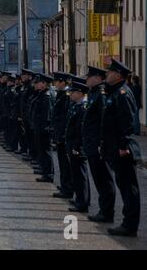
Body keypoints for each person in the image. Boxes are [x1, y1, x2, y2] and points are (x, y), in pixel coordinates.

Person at [102, 59, 140, 237]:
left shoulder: (123, 93)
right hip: (115, 147)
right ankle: (128, 222)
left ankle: (130, 224)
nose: (106, 75)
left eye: (109, 72)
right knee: (124, 185)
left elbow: (127, 123)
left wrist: (124, 146)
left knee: (128, 187)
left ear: (118, 75)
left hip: (122, 149)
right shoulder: (116, 92)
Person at [83, 66, 116, 223]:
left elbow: (104, 121)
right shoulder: (93, 93)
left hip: (97, 144)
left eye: (89, 77)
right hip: (91, 143)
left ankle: (107, 211)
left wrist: (101, 143)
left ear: (97, 78)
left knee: (104, 178)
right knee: (98, 177)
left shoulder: (101, 95)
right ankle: (104, 210)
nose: (86, 79)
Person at [65, 80, 90, 213]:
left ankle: (83, 202)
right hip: (72, 143)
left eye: (73, 92)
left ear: (80, 93)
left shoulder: (83, 107)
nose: (70, 94)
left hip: (77, 145)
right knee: (76, 173)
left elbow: (80, 130)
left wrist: (77, 146)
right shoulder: (76, 106)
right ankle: (79, 198)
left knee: (80, 174)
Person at [51, 72, 74, 199]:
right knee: (62, 162)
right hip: (59, 133)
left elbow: (64, 117)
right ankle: (65, 185)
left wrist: (62, 134)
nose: (55, 84)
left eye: (57, 82)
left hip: (63, 134)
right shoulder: (62, 95)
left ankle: (68, 187)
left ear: (63, 82)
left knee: (65, 163)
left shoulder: (66, 96)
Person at [31, 74, 54, 183]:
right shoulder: (41, 94)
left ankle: (48, 173)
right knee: (41, 151)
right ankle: (44, 170)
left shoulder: (46, 96)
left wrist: (44, 128)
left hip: (43, 129)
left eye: (38, 82)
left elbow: (46, 115)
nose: (36, 84)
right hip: (39, 127)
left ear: (44, 84)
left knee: (45, 151)